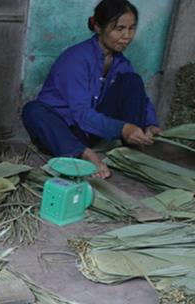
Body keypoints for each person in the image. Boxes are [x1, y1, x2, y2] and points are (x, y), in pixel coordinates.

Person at [21, 0, 160, 179]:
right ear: (98, 27)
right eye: (119, 29)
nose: (127, 36)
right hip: (61, 132)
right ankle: (84, 154)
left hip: (90, 131)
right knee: (32, 110)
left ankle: (131, 149)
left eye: (131, 28)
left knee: (132, 81)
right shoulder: (76, 59)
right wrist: (122, 128)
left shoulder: (121, 63)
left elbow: (141, 99)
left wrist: (150, 124)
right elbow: (80, 113)